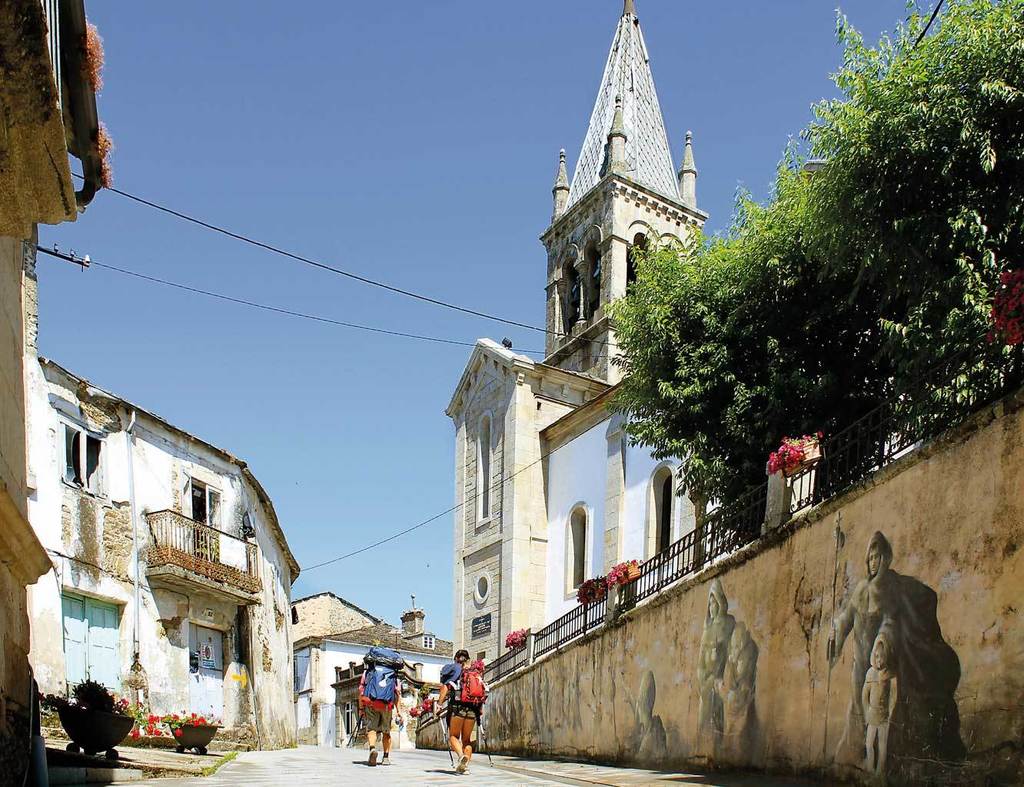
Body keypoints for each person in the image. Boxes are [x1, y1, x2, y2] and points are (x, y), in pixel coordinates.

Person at [438, 650, 487, 774]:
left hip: (458, 707)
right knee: (467, 740)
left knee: (453, 736)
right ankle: (464, 768)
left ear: (456, 659)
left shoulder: (453, 668)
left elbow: (445, 687)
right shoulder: (475, 672)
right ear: (468, 659)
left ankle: (461, 757)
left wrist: (439, 704)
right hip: (472, 709)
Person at [358, 653, 405, 767]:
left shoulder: (368, 672)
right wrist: (399, 711)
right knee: (386, 731)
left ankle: (372, 749)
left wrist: (361, 708)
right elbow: (397, 694)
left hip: (371, 703)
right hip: (386, 705)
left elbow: (361, 691)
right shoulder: (393, 675)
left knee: (372, 729)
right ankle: (386, 757)